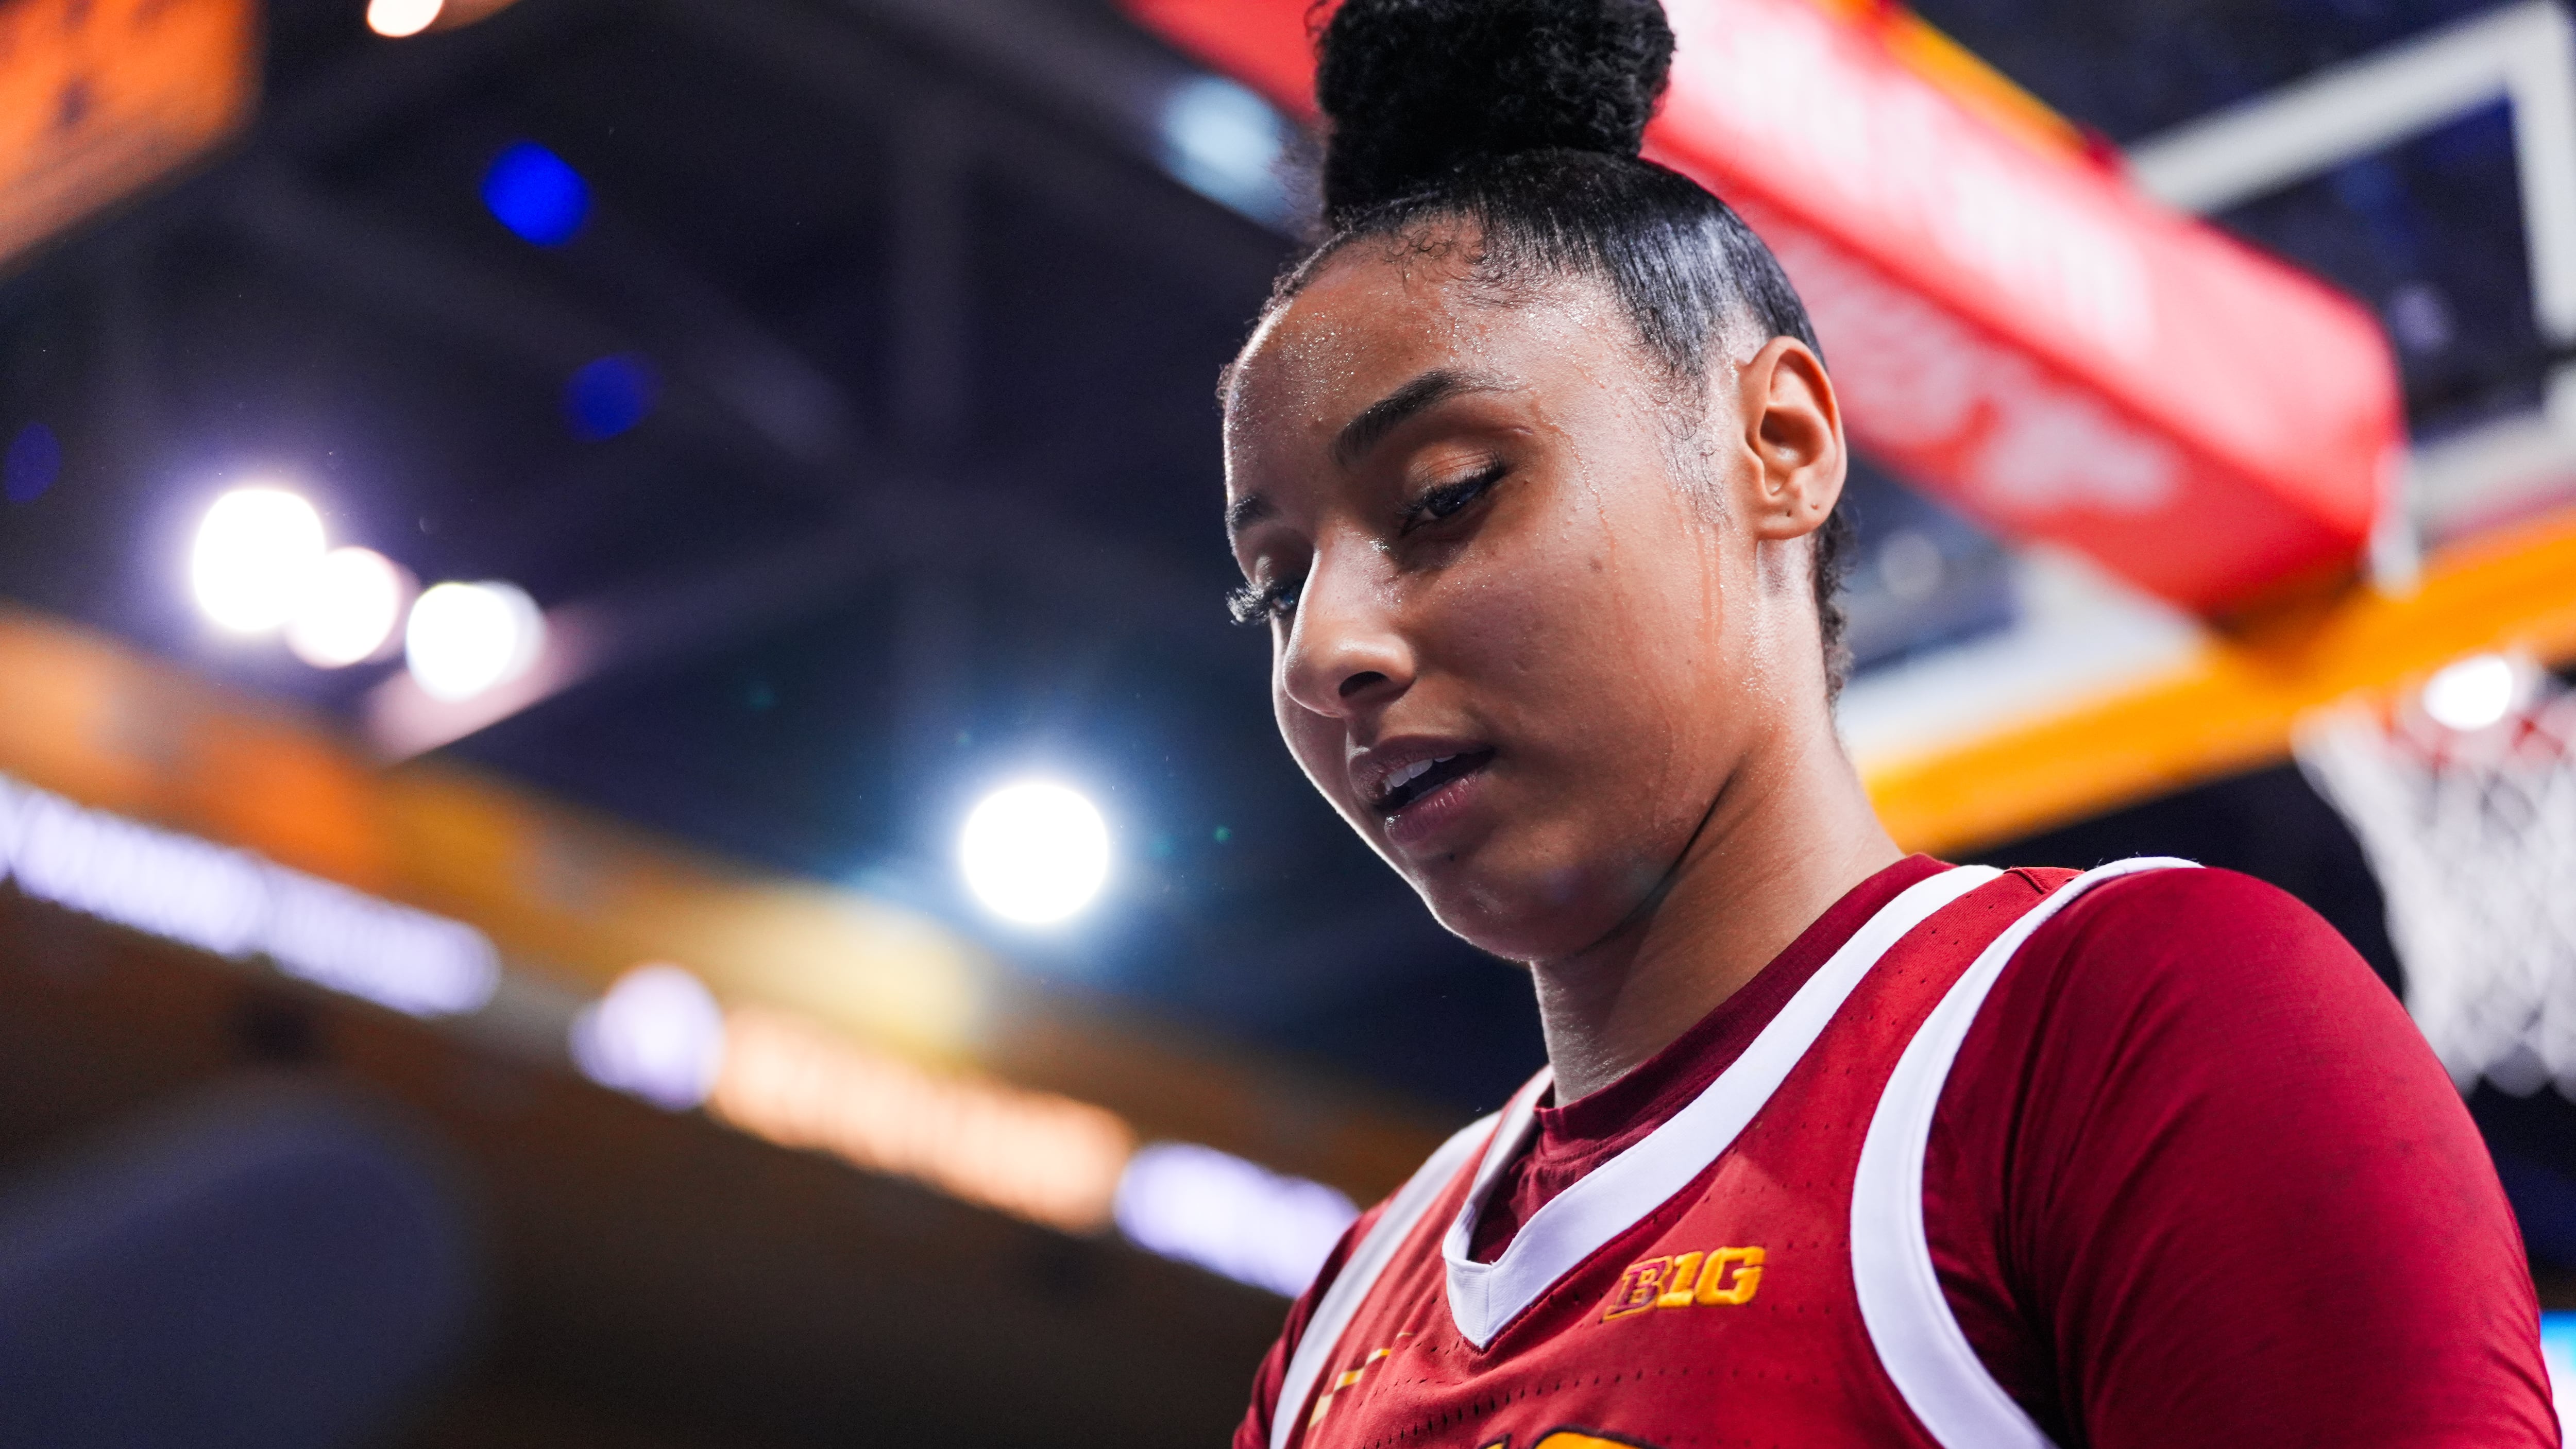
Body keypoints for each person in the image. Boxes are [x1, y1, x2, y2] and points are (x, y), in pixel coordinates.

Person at [1216, 2, 2560, 1446]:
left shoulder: (2127, 1031)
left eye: (1445, 497)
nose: (1325, 653)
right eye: (1275, 587)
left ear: (1777, 446)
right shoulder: (1345, 1318)